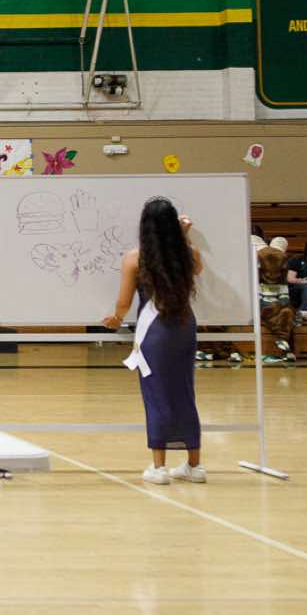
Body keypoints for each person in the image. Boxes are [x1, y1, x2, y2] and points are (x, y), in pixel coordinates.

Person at [103, 199, 204, 485]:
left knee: (156, 394)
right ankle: (195, 465)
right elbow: (196, 270)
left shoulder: (135, 258)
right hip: (185, 328)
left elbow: (123, 302)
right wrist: (184, 236)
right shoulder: (190, 254)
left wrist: (116, 319)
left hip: (155, 331)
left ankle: (159, 467)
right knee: (185, 392)